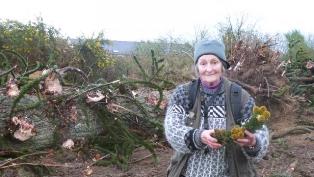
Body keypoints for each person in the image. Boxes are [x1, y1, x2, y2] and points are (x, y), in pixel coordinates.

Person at [164, 39, 269, 177]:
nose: (209, 69)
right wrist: (199, 136)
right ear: (197, 67)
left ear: (222, 65)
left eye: (214, 62)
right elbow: (172, 129)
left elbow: (261, 131)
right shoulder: (184, 93)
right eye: (203, 63)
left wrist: (253, 142)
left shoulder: (238, 96)